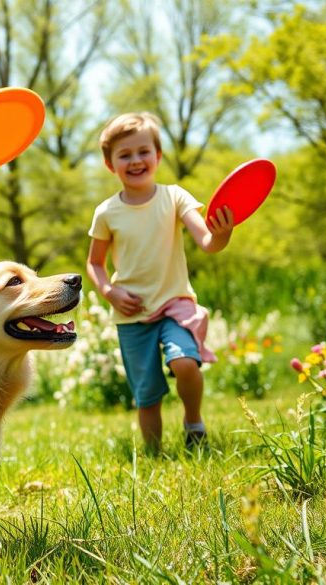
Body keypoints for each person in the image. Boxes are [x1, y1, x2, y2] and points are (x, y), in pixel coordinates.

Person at [85, 112, 235, 452]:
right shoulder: (107, 212)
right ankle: (154, 454)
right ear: (111, 165)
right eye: (125, 155)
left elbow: (209, 242)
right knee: (147, 394)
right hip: (132, 312)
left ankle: (193, 422)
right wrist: (110, 291)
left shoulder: (175, 197)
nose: (135, 160)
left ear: (158, 155)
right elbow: (95, 263)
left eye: (143, 151)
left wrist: (223, 233)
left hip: (175, 305)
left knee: (185, 361)